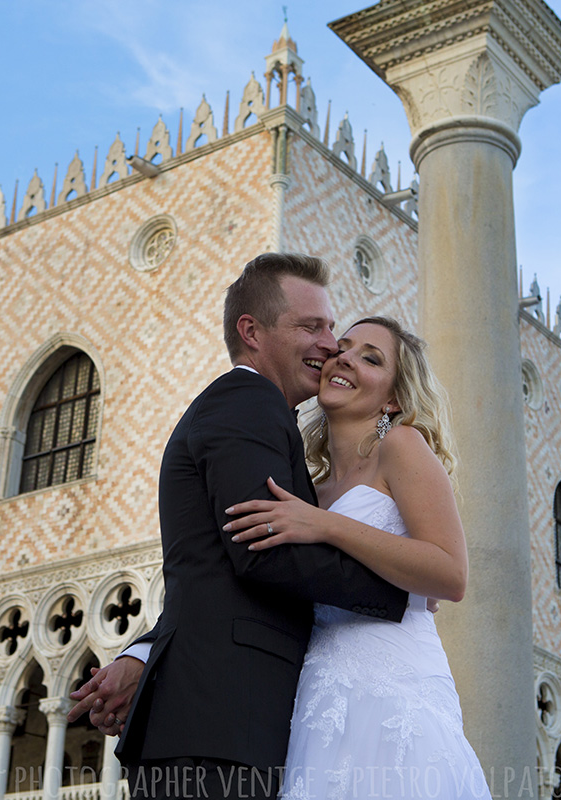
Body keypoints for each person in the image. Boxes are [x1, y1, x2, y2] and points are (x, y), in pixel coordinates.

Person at [67, 253, 409, 799]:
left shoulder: (259, 412)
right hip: (220, 728)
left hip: (221, 723)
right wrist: (398, 592)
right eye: (310, 326)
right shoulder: (248, 401)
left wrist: (143, 653)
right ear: (251, 331)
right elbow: (261, 550)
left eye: (330, 327)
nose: (330, 344)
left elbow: (214, 568)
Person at [224, 316, 490, 799]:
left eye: (371, 358)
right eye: (342, 348)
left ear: (392, 398)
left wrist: (324, 525)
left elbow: (451, 575)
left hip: (395, 687)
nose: (345, 357)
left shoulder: (401, 445)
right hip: (320, 695)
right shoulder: (310, 486)